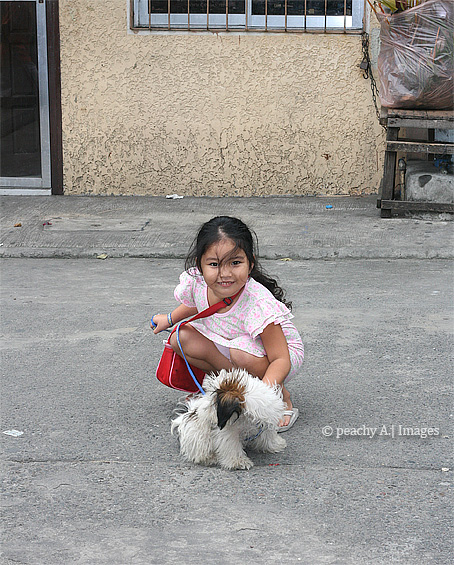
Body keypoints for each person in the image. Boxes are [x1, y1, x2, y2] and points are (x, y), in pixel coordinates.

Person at [151, 216, 304, 431]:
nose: (225, 274)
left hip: (277, 353)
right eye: (214, 264)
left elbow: (280, 359)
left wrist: (263, 400)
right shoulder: (198, 283)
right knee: (179, 337)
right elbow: (197, 304)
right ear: (200, 265)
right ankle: (228, 390)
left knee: (240, 354)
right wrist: (168, 319)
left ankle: (280, 397)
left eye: (235, 263)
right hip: (229, 341)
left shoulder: (258, 303)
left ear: (250, 263)